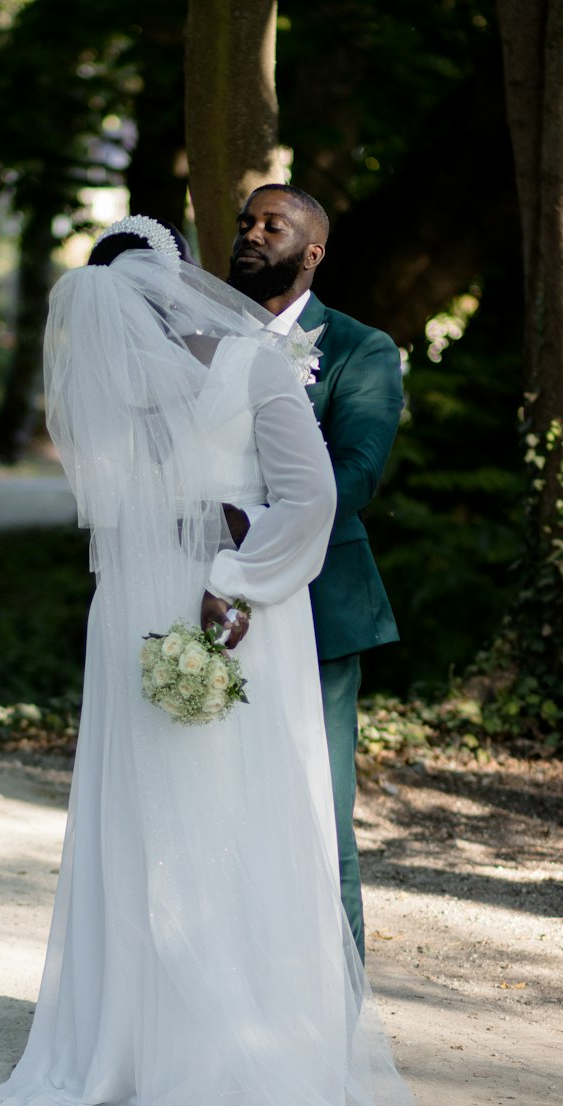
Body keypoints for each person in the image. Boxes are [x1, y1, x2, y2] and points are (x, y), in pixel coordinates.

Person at [0, 217, 551, 1106]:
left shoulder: (105, 393)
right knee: (238, 814)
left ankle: (121, 1053)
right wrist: (239, 584)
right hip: (236, 608)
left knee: (152, 819)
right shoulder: (251, 363)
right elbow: (303, 498)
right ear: (177, 282)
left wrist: (216, 576)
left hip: (138, 616)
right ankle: (235, 1044)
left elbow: (142, 512)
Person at [228, 184, 402, 964]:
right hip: (206, 600)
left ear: (313, 251)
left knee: (318, 812)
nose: (253, 234)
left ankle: (339, 1008)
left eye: (274, 224)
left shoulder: (361, 349)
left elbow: (355, 476)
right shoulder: (201, 338)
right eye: (246, 223)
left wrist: (252, 524)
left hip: (317, 602)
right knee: (216, 808)